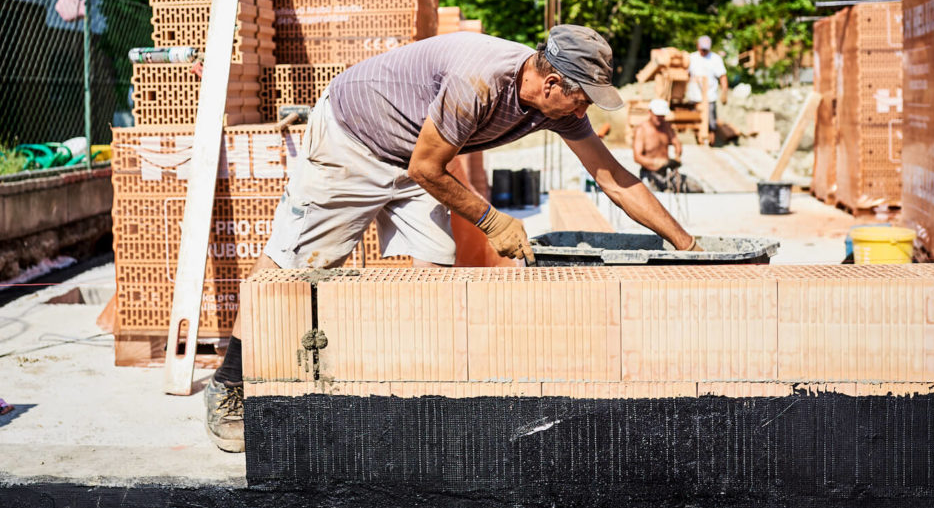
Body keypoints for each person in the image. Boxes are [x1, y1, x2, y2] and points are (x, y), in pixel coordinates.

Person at [205, 25, 701, 452]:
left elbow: (611, 175)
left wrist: (688, 246)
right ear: (552, 82)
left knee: (432, 267)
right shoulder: (479, 79)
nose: (584, 109)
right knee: (297, 267)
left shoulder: (558, 107)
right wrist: (493, 222)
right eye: (582, 95)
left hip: (414, 154)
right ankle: (228, 384)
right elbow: (428, 167)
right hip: (354, 138)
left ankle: (390, 391)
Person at [632, 99, 701, 193]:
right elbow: (637, 157)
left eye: (662, 116)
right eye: (657, 116)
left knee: (696, 188)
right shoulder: (642, 130)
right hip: (650, 173)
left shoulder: (666, 126)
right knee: (651, 197)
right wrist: (655, 163)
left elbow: (677, 143)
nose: (660, 119)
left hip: (667, 172)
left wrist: (677, 156)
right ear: (650, 112)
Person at [686, 36, 728, 145]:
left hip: (710, 97)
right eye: (702, 49)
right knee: (695, 122)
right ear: (697, 46)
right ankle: (699, 142)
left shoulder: (715, 59)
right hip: (694, 96)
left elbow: (722, 76)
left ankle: (710, 143)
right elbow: (686, 75)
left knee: (711, 124)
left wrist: (724, 92)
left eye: (706, 49)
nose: (703, 52)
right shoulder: (692, 58)